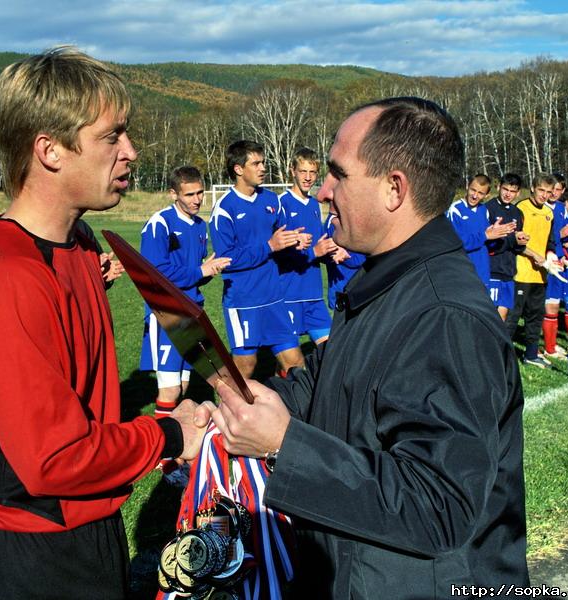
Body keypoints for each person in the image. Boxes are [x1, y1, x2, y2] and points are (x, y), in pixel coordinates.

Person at [201, 97, 529, 598]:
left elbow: (439, 507)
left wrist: (285, 444)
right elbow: (327, 383)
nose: (325, 191)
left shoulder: (444, 314)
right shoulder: (385, 278)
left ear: (394, 189)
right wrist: (235, 407)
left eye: (339, 174)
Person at [0, 47, 209, 600]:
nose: (130, 152)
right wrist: (171, 433)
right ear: (50, 151)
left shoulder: (81, 244)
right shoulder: (9, 275)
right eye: (112, 137)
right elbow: (52, 460)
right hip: (28, 553)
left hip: (88, 526)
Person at [139, 165, 230, 483]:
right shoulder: (160, 224)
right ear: (173, 194)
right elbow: (156, 274)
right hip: (165, 315)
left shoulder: (200, 226)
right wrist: (200, 271)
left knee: (185, 386)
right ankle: (161, 458)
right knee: (169, 389)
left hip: (191, 313)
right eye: (189, 194)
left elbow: (194, 273)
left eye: (200, 192)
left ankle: (176, 453)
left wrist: (207, 270)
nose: (197, 199)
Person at [209, 140, 311, 379]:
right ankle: (228, 414)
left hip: (274, 297)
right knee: (246, 366)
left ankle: (294, 412)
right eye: (256, 163)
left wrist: (294, 241)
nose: (263, 168)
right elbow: (227, 259)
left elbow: (280, 241)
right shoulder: (224, 209)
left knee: (295, 363)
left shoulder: (271, 201)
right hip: (244, 301)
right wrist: (269, 246)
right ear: (238, 169)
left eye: (263, 162)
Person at [277, 148, 332, 345]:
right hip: (289, 294)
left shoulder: (313, 205)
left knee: (329, 351)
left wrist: (331, 249)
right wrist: (313, 251)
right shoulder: (281, 204)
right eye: (303, 171)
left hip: (314, 295)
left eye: (313, 172)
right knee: (288, 360)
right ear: (292, 171)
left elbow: (318, 246)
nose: (308, 177)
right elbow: (276, 253)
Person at [506, 173, 560, 367]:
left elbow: (550, 242)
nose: (544, 195)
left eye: (548, 191)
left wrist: (553, 256)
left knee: (535, 316)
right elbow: (514, 241)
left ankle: (530, 354)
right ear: (533, 189)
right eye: (541, 190)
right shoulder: (521, 209)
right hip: (521, 273)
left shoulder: (549, 213)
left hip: (541, 275)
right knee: (513, 316)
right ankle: (503, 356)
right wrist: (534, 255)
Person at [446, 173, 516, 294]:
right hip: (462, 272)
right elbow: (456, 243)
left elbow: (486, 243)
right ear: (467, 186)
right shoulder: (455, 209)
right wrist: (486, 235)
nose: (474, 196)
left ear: (486, 195)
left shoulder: (484, 211)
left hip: (482, 272)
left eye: (480, 193)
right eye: (473, 190)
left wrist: (501, 235)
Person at [542, 174, 568, 357]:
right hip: (550, 262)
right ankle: (549, 348)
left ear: (563, 191)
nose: (554, 193)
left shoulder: (561, 208)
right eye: (552, 189)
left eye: (558, 190)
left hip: (564, 262)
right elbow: (545, 238)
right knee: (552, 305)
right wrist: (560, 235)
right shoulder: (542, 208)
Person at [485, 173, 528, 321]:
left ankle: (495, 344)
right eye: (505, 189)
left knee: (502, 316)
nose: (508, 194)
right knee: (491, 315)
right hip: (493, 270)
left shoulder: (517, 213)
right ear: (498, 187)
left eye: (512, 191)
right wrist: (511, 239)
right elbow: (488, 245)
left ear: (518, 193)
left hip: (509, 271)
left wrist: (521, 242)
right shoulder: (488, 209)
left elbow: (515, 246)